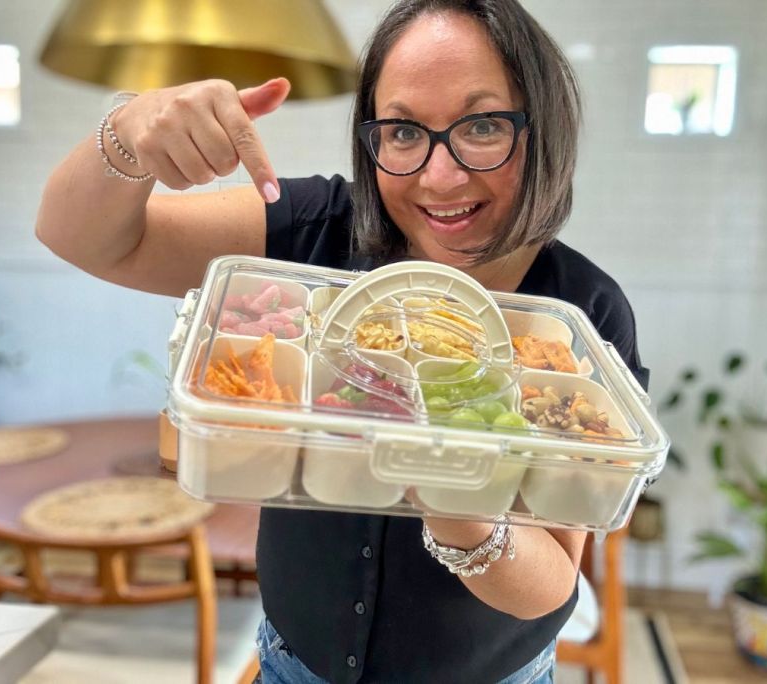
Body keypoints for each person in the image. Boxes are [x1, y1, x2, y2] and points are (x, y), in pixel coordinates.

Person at [37, 1, 649, 681]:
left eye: (482, 125)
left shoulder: (583, 317)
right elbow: (79, 236)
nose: (438, 177)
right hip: (289, 664)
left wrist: (463, 512)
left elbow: (554, 581)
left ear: (543, 130)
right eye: (403, 131)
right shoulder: (315, 229)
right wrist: (128, 133)